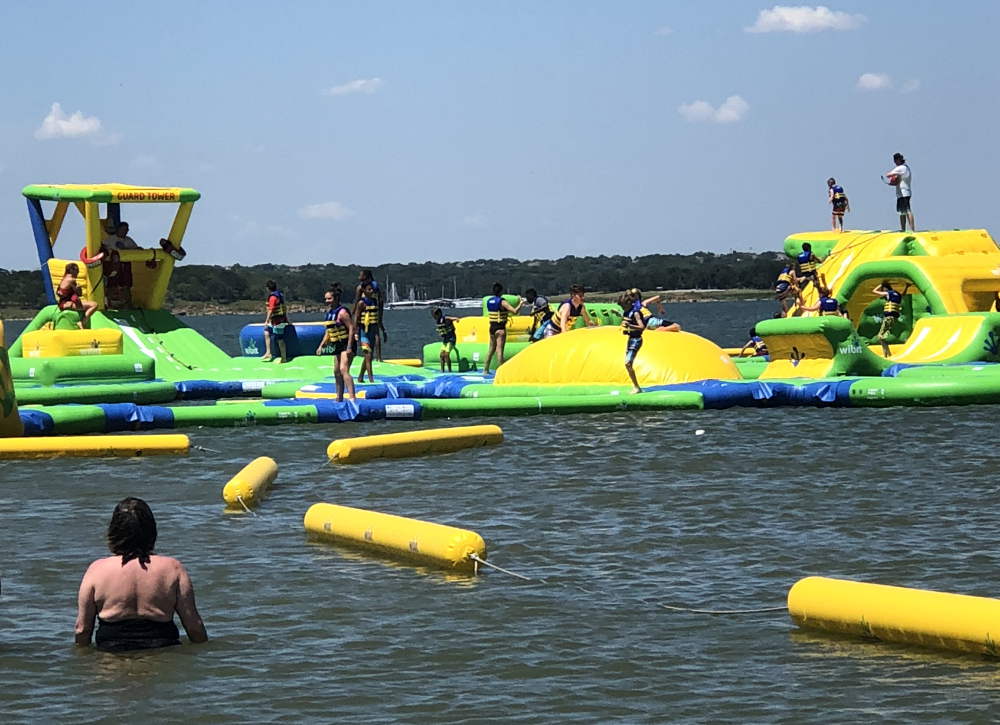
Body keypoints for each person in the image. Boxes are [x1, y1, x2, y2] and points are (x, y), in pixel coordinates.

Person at [75, 497, 207, 652]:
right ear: (151, 531)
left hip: (112, 659)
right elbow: (194, 627)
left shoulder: (97, 570)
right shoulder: (173, 568)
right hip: (162, 656)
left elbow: (82, 629)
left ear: (114, 531)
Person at [316, 284, 356, 402]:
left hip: (346, 344)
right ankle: (339, 397)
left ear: (336, 298)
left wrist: (349, 346)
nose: (327, 301)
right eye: (326, 299)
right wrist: (321, 345)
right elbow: (328, 332)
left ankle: (352, 398)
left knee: (344, 369)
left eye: (329, 298)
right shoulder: (329, 314)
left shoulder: (342, 312)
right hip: (337, 344)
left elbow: (351, 328)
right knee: (336, 371)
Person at [483, 283, 522, 373]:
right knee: (499, 350)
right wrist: (521, 303)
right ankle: (503, 371)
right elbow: (515, 311)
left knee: (491, 349)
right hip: (500, 328)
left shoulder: (489, 301)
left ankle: (485, 370)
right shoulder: (502, 301)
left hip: (492, 328)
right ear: (501, 291)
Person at [354, 270, 386, 362]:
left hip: (367, 310)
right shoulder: (375, 286)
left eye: (361, 275)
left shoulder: (361, 287)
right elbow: (380, 300)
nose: (359, 277)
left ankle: (369, 356)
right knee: (376, 333)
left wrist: (353, 312)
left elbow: (357, 301)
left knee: (369, 334)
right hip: (374, 309)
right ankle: (378, 357)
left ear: (366, 276)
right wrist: (380, 315)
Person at [619, 289, 647, 393]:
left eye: (623, 306)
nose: (622, 308)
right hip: (631, 339)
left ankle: (636, 387)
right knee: (628, 364)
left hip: (636, 340)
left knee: (628, 363)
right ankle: (635, 386)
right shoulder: (627, 312)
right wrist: (627, 331)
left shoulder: (635, 313)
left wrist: (629, 326)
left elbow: (641, 327)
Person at [873, 280, 911, 357]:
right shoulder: (897, 294)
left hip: (888, 318)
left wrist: (881, 284)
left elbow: (874, 291)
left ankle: (887, 355)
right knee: (882, 337)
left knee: (880, 337)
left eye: (883, 289)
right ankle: (887, 354)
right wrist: (906, 287)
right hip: (894, 318)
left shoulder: (888, 293)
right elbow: (903, 294)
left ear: (885, 289)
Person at [56, 262, 97, 327]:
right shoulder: (72, 280)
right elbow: (79, 294)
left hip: (63, 304)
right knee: (94, 305)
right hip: (68, 304)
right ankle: (82, 322)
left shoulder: (64, 279)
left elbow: (60, 293)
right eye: (77, 271)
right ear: (73, 271)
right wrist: (79, 288)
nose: (78, 273)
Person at [354, 281, 379, 383]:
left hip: (372, 332)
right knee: (368, 355)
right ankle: (371, 379)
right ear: (364, 290)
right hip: (364, 332)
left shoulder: (374, 301)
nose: (371, 291)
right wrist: (356, 333)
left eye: (372, 289)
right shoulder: (361, 303)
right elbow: (356, 318)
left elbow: (377, 318)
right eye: (369, 289)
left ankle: (360, 377)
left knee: (369, 356)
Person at [884, 152, 915, 232]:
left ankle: (912, 229)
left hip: (904, 192)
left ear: (898, 160)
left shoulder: (902, 167)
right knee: (902, 212)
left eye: (895, 161)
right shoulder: (905, 168)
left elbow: (888, 175)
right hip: (901, 193)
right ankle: (903, 229)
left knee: (907, 210)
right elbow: (898, 181)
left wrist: (892, 177)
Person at [261, 280, 289, 363]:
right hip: (277, 320)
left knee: (280, 338)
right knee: (266, 331)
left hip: (278, 321)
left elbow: (271, 309)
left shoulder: (273, 297)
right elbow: (284, 308)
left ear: (267, 288)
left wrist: (266, 320)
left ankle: (284, 357)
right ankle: (268, 352)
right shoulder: (280, 295)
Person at [431, 307, 460, 372]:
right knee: (441, 355)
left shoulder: (445, 318)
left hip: (451, 339)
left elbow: (451, 318)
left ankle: (449, 370)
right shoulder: (438, 321)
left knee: (446, 354)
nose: (434, 317)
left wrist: (456, 319)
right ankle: (442, 370)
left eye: (434, 315)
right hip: (445, 340)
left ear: (439, 314)